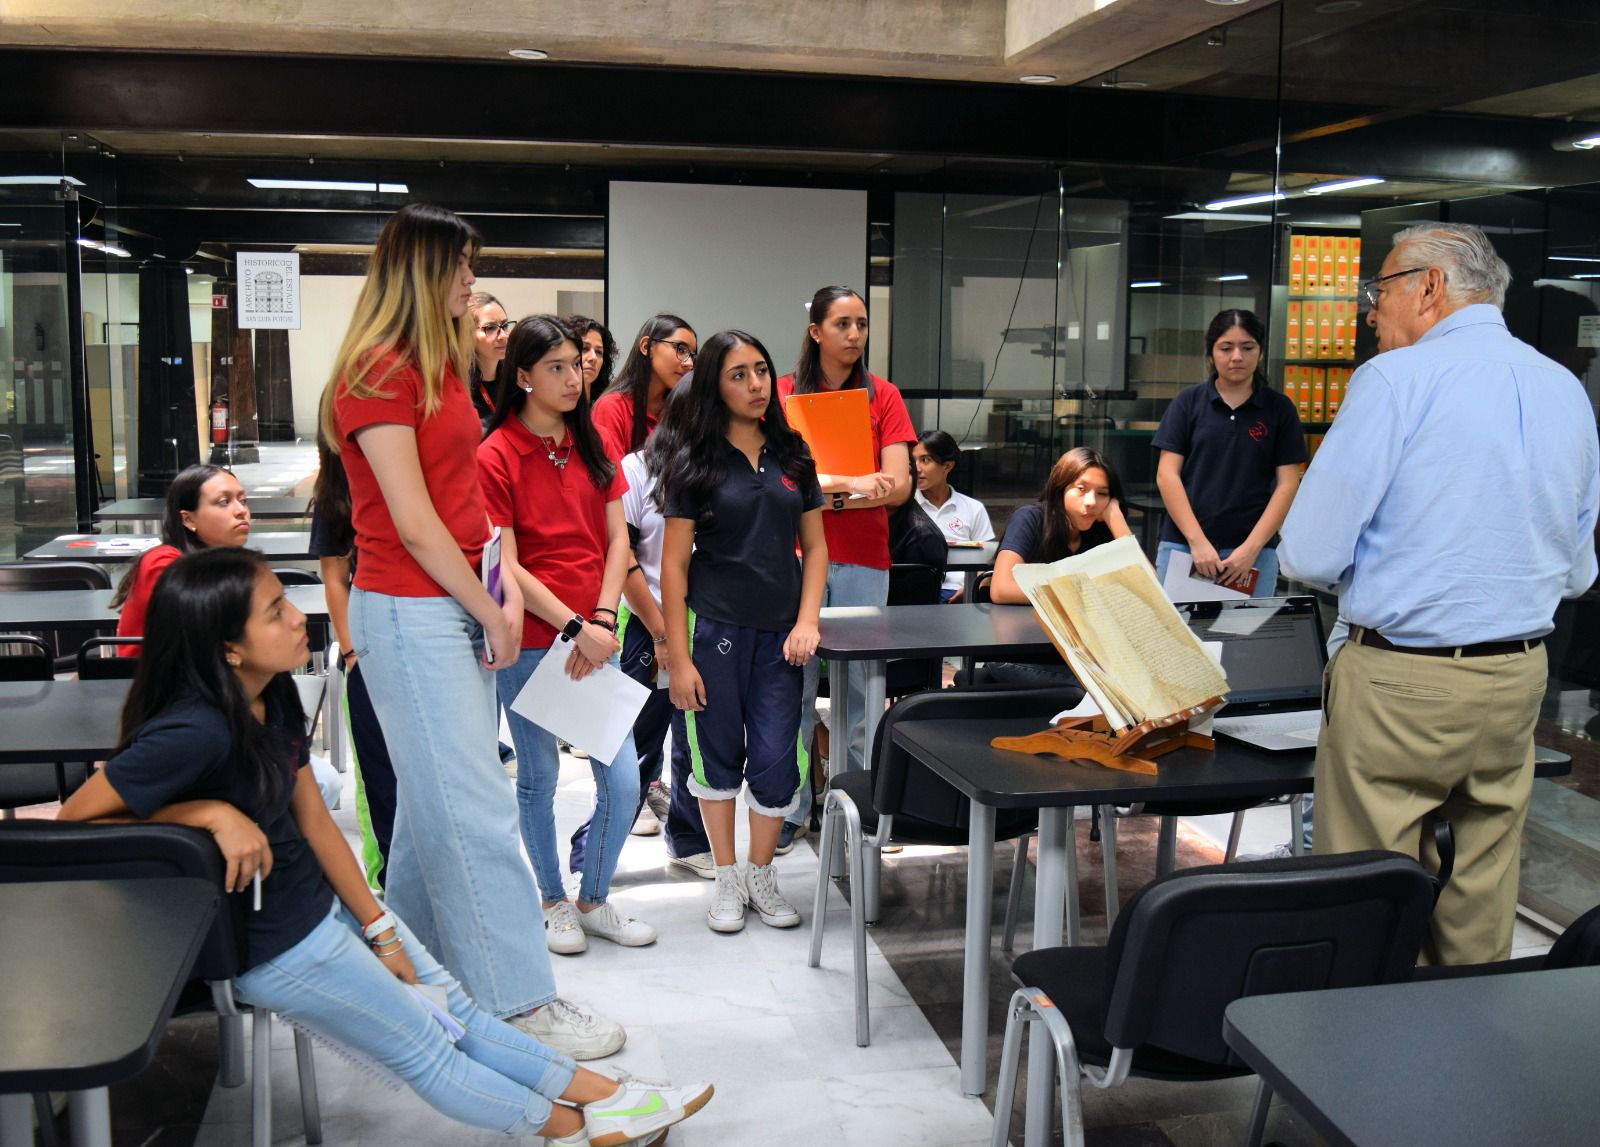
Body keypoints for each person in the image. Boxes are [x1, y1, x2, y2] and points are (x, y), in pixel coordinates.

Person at [57, 548, 712, 1147]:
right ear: (229, 649)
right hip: (276, 947)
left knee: (459, 1014)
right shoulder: (193, 731)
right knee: (429, 1052)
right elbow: (74, 823)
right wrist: (207, 812)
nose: (299, 617)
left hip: (323, 912)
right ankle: (578, 1132)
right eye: (275, 611)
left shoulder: (270, 697)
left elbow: (317, 825)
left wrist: (379, 926)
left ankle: (612, 1098)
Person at [321, 203, 622, 1057]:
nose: (471, 281)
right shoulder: (377, 371)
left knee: (431, 815)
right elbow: (415, 524)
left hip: (451, 601)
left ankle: (403, 994)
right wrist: (494, 608)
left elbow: (463, 511)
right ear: (422, 269)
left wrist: (495, 596)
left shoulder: (440, 367)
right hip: (408, 608)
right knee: (478, 808)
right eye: (460, 266)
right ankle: (520, 1001)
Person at [1280, 222, 1600, 965]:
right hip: (1517, 679)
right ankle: (1464, 1036)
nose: (1370, 312)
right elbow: (1579, 572)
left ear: (1429, 286)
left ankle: (1361, 1040)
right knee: (1478, 900)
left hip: (1401, 679)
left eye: (1379, 290)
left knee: (1365, 901)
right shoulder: (1564, 389)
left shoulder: (1395, 380)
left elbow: (1308, 553)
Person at [478, 315, 655, 956]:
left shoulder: (592, 445)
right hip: (530, 636)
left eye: (577, 364)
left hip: (597, 633)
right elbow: (506, 563)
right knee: (539, 775)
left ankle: (593, 898)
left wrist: (602, 620)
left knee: (624, 780)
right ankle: (552, 901)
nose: (574, 377)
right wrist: (573, 627)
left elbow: (617, 542)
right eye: (556, 367)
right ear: (523, 376)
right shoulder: (495, 453)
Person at [658, 330, 827, 933]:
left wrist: (807, 620)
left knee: (780, 758)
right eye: (738, 374)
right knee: (716, 757)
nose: (756, 385)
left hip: (781, 637)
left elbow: (815, 548)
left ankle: (761, 873)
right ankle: (726, 878)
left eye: (761, 370)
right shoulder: (694, 463)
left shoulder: (794, 453)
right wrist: (679, 659)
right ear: (714, 385)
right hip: (714, 630)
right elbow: (672, 566)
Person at [776, 286, 916, 853]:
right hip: (793, 556)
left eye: (861, 323)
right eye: (842, 323)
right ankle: (789, 807)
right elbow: (781, 480)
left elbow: (898, 486)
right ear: (816, 331)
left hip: (864, 557)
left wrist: (824, 493)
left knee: (862, 692)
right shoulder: (784, 393)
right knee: (792, 688)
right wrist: (856, 486)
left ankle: (858, 806)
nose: (854, 333)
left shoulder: (883, 395)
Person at [569, 392, 715, 879]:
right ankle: (591, 854)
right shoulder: (635, 469)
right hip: (650, 625)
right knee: (632, 749)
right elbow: (624, 558)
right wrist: (661, 633)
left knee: (696, 746)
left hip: (708, 625)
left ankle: (689, 840)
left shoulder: (716, 470)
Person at [1152, 308, 1306, 597]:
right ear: (1211, 354)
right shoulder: (1187, 402)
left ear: (1260, 352)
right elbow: (1167, 475)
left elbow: (1287, 483)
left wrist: (1250, 549)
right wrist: (1198, 543)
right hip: (1185, 548)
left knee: (1244, 627)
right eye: (1226, 348)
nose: (1237, 356)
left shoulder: (1279, 409)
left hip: (1252, 556)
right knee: (1177, 627)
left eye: (1247, 347)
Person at [308, 434, 398, 890]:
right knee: (379, 779)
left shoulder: (406, 474)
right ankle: (386, 881)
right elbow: (335, 579)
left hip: (421, 644)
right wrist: (351, 654)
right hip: (366, 653)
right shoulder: (337, 494)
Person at [985, 447, 1132, 685]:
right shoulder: (1030, 518)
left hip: (1078, 655)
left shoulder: (1099, 532)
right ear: (1060, 487)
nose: (1091, 502)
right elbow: (1001, 589)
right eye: (1081, 489)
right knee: (1113, 687)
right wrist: (1080, 593)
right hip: (1021, 655)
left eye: (1102, 494)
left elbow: (1148, 590)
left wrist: (1116, 520)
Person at [113, 463, 252, 654]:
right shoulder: (162, 564)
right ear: (188, 519)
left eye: (243, 500)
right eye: (224, 502)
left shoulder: (229, 563)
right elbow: (202, 638)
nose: (241, 510)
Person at [591, 313, 696, 458]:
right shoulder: (612, 408)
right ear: (646, 346)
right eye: (680, 349)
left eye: (692, 355)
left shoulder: (683, 410)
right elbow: (611, 472)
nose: (689, 363)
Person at [912, 429, 994, 601]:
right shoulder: (905, 507)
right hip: (917, 590)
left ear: (947, 466)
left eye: (925, 460)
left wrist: (970, 589)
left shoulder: (973, 508)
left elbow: (987, 560)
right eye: (913, 461)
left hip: (962, 590)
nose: (916, 468)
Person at [466, 291, 512, 430]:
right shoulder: (459, 387)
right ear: (466, 333)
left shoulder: (515, 378)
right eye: (490, 328)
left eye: (504, 326)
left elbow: (533, 391)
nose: (503, 336)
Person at [565, 313, 617, 401]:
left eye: (598, 352)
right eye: (585, 348)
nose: (593, 357)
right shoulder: (552, 404)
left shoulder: (606, 403)